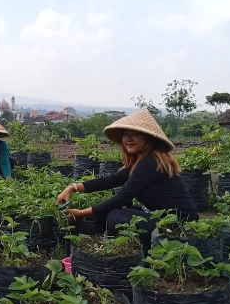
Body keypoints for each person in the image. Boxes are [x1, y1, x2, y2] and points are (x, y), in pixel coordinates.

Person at [56, 110, 198, 256]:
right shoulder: (143, 160)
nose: (128, 139)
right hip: (162, 217)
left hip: (179, 224)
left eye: (135, 134)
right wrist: (72, 187)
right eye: (125, 134)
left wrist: (81, 213)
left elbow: (122, 197)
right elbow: (112, 180)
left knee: (116, 216)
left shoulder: (150, 162)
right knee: (117, 211)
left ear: (148, 138)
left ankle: (136, 254)